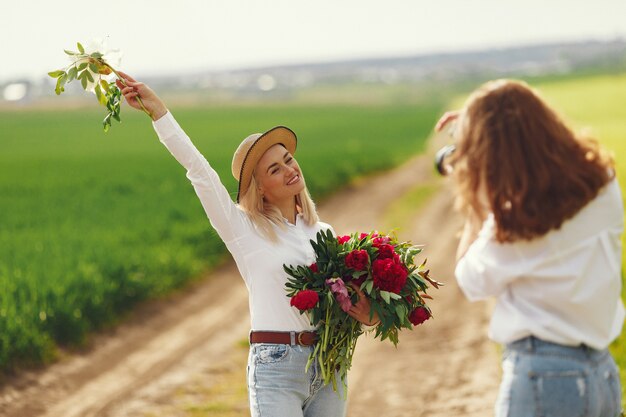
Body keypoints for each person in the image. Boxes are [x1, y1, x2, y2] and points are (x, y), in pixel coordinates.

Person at [115, 72, 378, 417]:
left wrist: (369, 315)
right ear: (260, 188)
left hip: (330, 365)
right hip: (277, 367)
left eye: (288, 159)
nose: (289, 169)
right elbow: (199, 171)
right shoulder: (243, 228)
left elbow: (346, 306)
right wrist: (159, 111)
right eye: (274, 169)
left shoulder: (323, 232)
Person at [436, 79, 624, 417]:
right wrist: (495, 123)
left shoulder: (516, 225)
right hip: (603, 373)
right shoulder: (602, 188)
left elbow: (470, 281)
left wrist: (474, 204)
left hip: (544, 377)